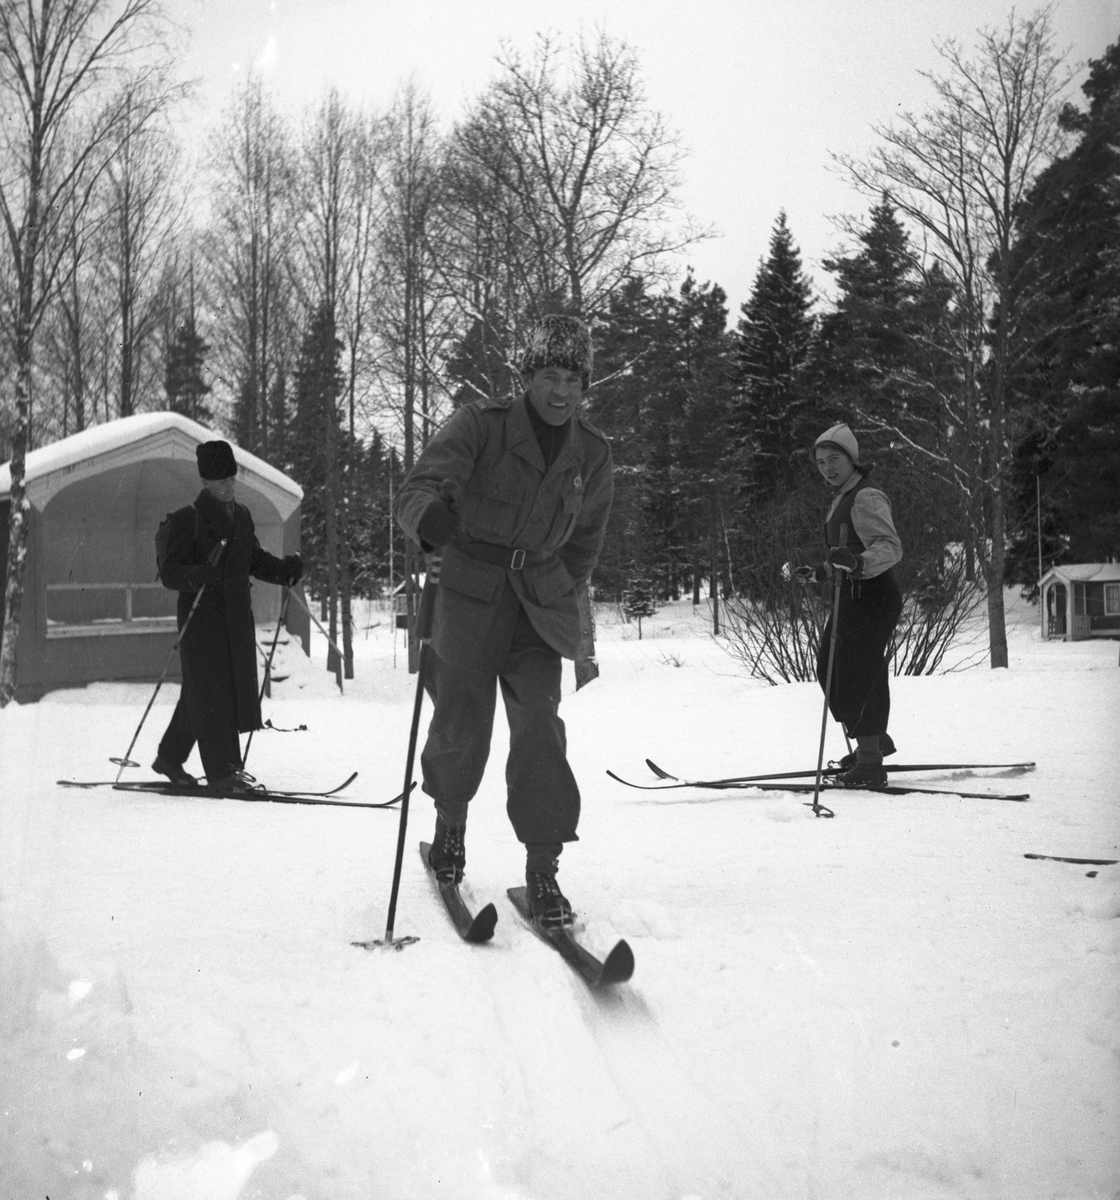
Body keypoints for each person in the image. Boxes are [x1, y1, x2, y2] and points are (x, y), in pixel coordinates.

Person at [394, 314, 614, 928]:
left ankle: (543, 867)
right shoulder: (480, 425)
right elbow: (417, 488)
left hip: (537, 604)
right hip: (468, 592)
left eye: (573, 379)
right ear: (527, 377)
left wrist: (562, 589)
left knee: (541, 728)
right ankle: (450, 832)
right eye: (550, 376)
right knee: (462, 722)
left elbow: (586, 541)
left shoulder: (592, 453)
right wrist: (429, 519)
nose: (561, 391)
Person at [152, 440, 303, 793]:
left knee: (205, 690)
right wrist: (201, 573)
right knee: (212, 693)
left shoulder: (243, 515)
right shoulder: (189, 518)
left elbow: (253, 559)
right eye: (221, 480)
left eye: (232, 478)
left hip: (235, 619)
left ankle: (170, 758)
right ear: (205, 481)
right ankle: (223, 772)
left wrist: (285, 571)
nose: (228, 485)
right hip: (201, 622)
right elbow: (171, 573)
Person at [802, 423, 903, 786]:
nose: (827, 468)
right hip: (853, 595)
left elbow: (889, 547)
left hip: (873, 596)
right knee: (830, 669)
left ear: (851, 458)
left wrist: (859, 564)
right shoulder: (842, 497)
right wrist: (820, 572)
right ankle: (871, 743)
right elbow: (845, 554)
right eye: (821, 462)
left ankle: (870, 763)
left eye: (834, 458)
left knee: (858, 672)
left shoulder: (865, 495)